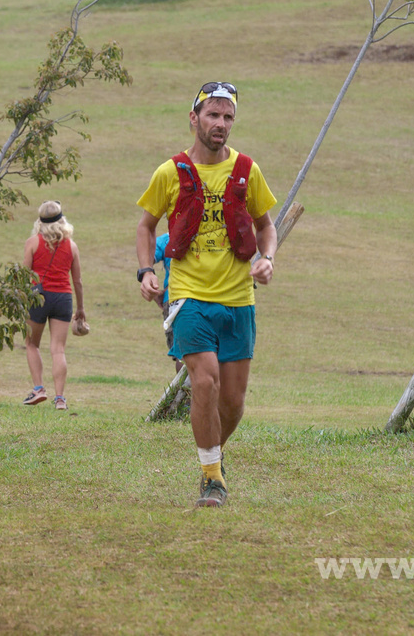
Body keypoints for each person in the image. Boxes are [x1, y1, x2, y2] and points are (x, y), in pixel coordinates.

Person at [135, 81, 278, 508]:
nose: (220, 124)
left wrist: (268, 257)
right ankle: (211, 479)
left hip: (239, 298)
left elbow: (265, 225)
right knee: (205, 381)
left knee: (233, 403)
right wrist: (145, 271)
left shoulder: (247, 170)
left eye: (228, 117)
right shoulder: (170, 172)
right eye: (213, 115)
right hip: (188, 296)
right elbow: (145, 226)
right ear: (194, 117)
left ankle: (213, 453)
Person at [21, 200, 86, 411]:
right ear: (62, 220)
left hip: (38, 297)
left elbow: (24, 276)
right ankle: (60, 399)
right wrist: (81, 309)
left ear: (40, 221)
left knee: (31, 344)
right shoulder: (72, 246)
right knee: (58, 349)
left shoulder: (32, 242)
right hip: (63, 298)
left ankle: (39, 389)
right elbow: (77, 281)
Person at [152, 232, 183, 373]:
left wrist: (150, 279)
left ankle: (184, 392)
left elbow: (149, 256)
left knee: (180, 353)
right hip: (203, 297)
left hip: (171, 299)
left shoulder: (166, 239)